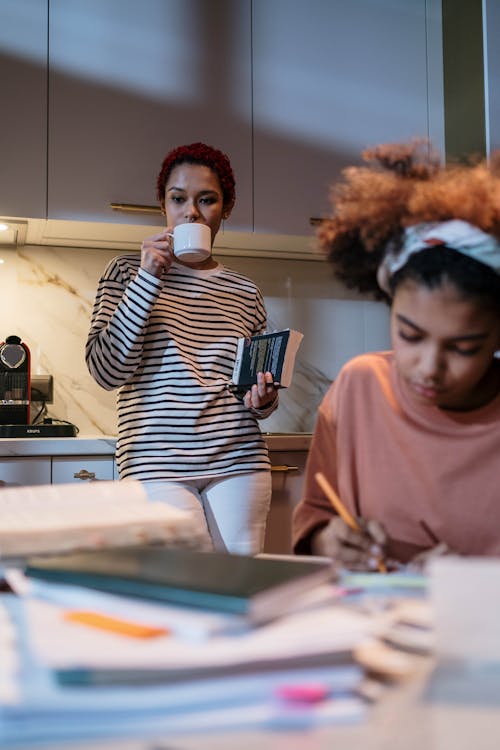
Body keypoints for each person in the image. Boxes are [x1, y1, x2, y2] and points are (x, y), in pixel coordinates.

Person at [292, 140, 500, 570]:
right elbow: (316, 516)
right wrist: (329, 540)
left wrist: (472, 579)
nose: (429, 368)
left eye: (464, 348)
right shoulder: (359, 387)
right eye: (410, 335)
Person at [86, 142, 279, 555]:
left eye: (206, 200)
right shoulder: (125, 272)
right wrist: (148, 279)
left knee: (240, 586)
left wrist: (262, 398)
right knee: (186, 587)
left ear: (225, 209)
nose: (191, 212)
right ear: (163, 205)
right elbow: (106, 372)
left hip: (239, 460)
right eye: (178, 199)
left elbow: (252, 398)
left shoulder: (246, 292)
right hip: (154, 461)